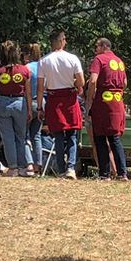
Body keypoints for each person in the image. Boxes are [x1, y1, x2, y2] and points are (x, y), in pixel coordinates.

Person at [37, 32, 86, 179]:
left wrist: (39, 107)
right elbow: (82, 82)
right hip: (70, 98)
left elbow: (40, 87)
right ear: (62, 41)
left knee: (57, 135)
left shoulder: (44, 61)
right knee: (71, 135)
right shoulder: (72, 59)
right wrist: (75, 84)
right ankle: (71, 168)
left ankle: (60, 169)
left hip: (53, 99)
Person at [88, 36, 131, 180]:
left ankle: (104, 173)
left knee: (100, 137)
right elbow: (124, 83)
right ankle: (122, 173)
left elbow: (93, 80)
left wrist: (90, 98)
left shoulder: (99, 60)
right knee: (115, 138)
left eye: (96, 47)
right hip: (117, 102)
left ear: (103, 47)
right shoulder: (119, 61)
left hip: (103, 102)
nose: (95, 50)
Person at [0, 40, 32, 174]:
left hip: (2, 103)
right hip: (20, 103)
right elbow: (28, 92)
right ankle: (27, 166)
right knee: (22, 136)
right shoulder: (25, 70)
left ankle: (13, 167)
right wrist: (29, 109)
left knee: (7, 137)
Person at [24, 41, 48, 172]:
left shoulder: (26, 68)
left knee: (24, 135)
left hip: (29, 102)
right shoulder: (43, 67)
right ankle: (39, 164)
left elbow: (26, 89)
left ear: (28, 54)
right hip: (41, 102)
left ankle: (29, 163)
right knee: (36, 135)